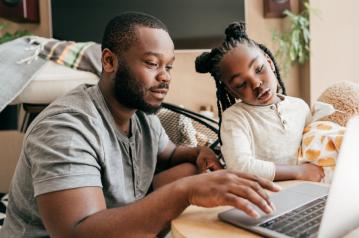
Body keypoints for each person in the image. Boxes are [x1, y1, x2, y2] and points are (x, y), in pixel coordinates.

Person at [0, 13, 282, 237]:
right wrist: (188, 191)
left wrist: (198, 153)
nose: (165, 77)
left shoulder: (142, 116)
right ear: (109, 61)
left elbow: (170, 154)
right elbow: (78, 232)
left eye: (168, 66)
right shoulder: (66, 128)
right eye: (151, 63)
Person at [195, 22, 325, 182]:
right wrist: (298, 172)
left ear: (270, 63)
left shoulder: (300, 107)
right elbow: (240, 167)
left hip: (306, 191)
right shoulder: (235, 118)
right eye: (241, 84)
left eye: (258, 69)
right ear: (231, 91)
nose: (256, 83)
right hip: (263, 197)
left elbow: (316, 148)